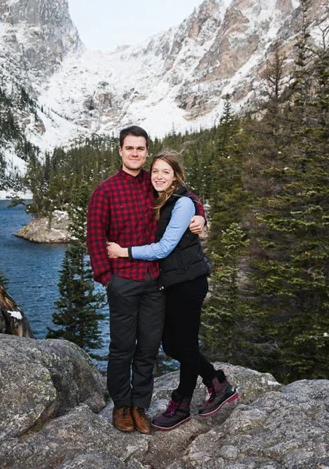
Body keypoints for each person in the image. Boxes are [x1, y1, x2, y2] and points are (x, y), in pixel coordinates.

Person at [107, 151, 238, 431]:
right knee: (172, 344)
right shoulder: (162, 197)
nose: (159, 176)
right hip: (171, 283)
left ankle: (184, 402)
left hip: (188, 282)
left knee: (185, 345)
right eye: (155, 171)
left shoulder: (182, 203)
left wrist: (124, 252)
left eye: (166, 172)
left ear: (176, 175)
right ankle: (217, 383)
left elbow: (165, 247)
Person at [86, 127, 205, 434]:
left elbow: (186, 196)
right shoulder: (106, 191)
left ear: (146, 152)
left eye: (140, 149)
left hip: (155, 282)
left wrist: (200, 213)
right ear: (120, 151)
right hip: (123, 282)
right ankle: (121, 406)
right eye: (130, 148)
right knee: (122, 347)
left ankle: (140, 406)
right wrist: (107, 278)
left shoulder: (154, 185)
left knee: (149, 348)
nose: (135, 153)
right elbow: (95, 237)